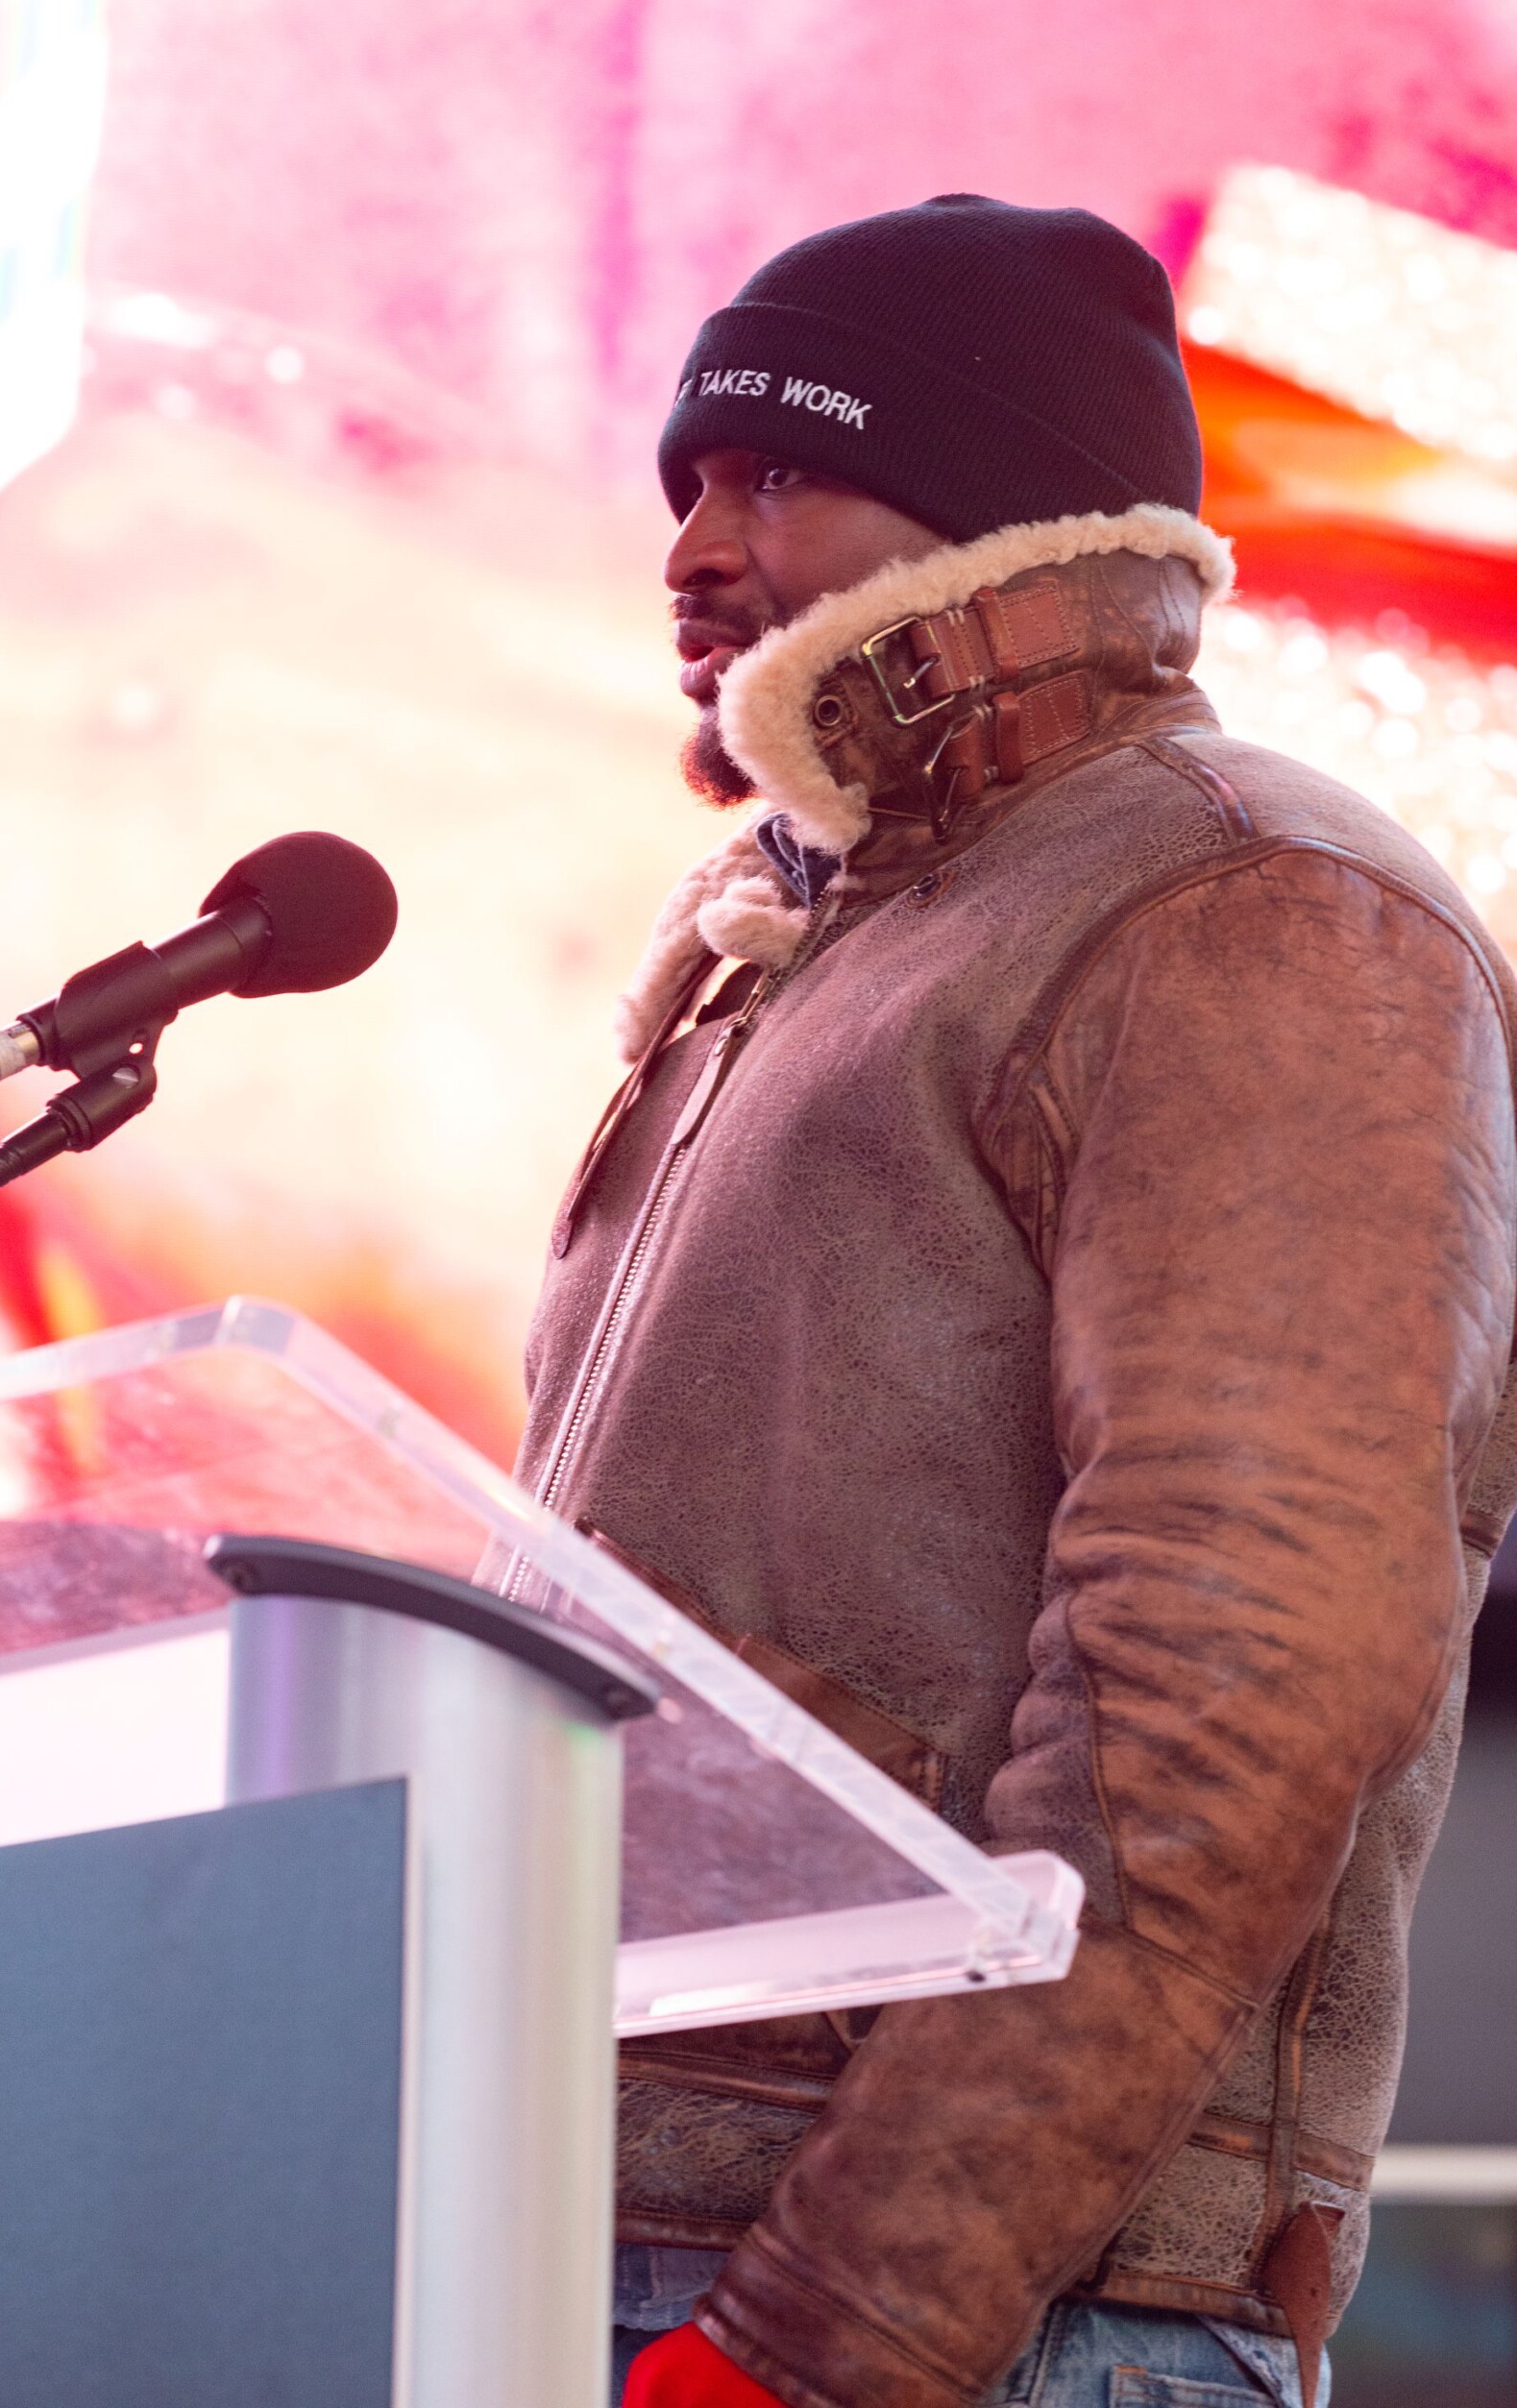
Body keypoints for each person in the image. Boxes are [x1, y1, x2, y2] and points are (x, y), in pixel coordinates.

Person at [516, 195, 1517, 2408]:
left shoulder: (1250, 899)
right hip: (578, 2217)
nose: (690, 539)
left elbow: (1229, 1690)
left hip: (986, 2320)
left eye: (773, 467)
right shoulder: (789, 953)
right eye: (681, 477)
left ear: (999, 508)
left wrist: (834, 2324)